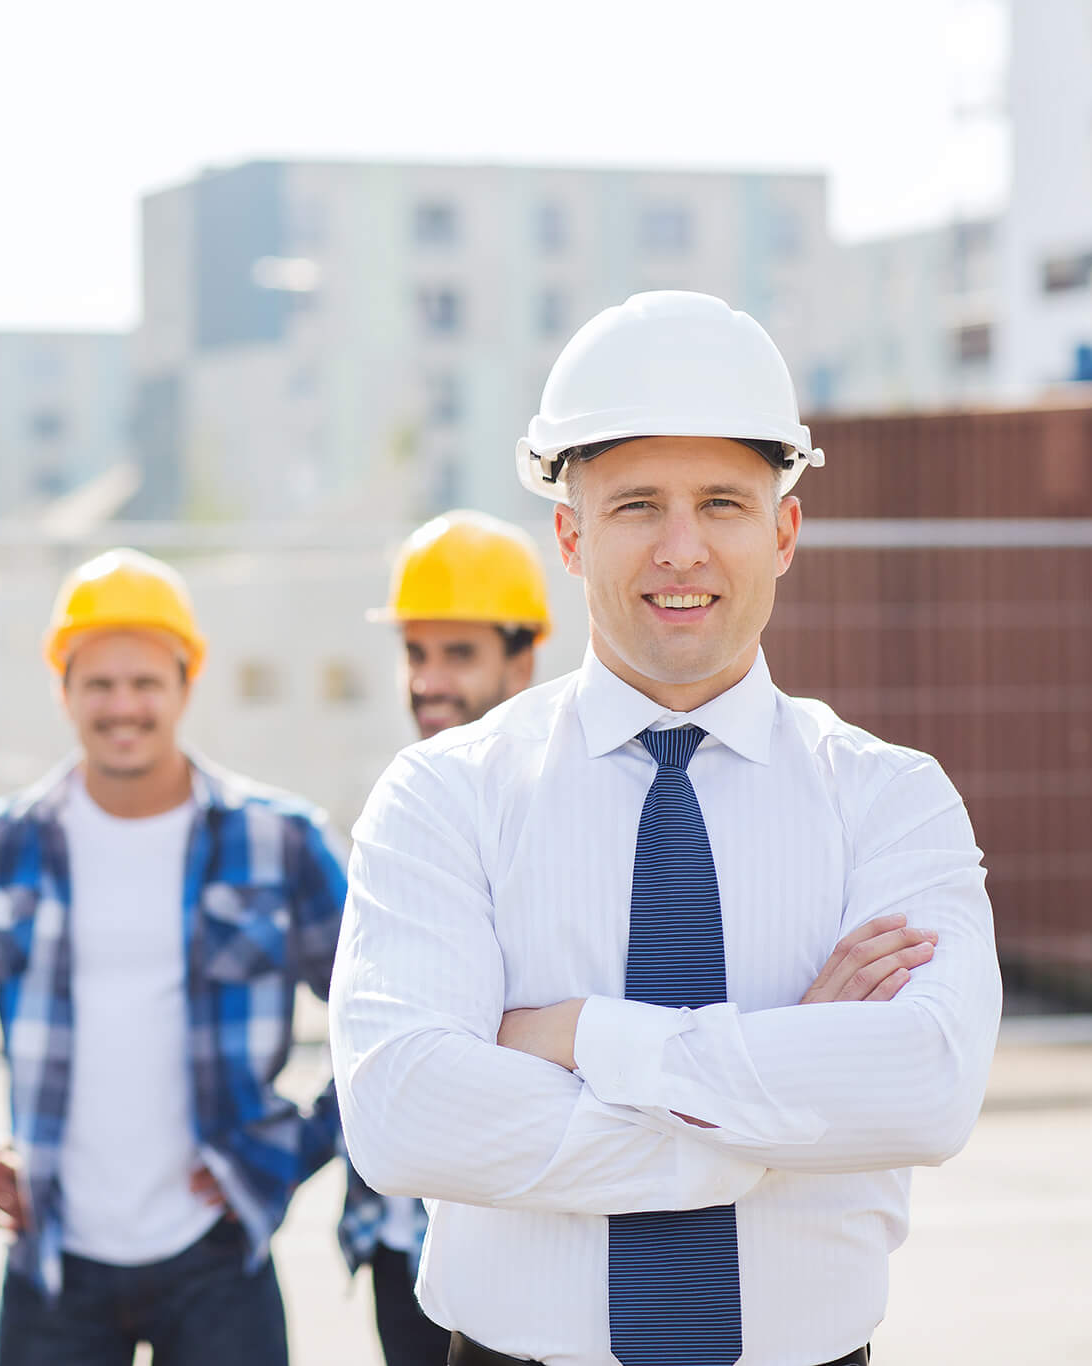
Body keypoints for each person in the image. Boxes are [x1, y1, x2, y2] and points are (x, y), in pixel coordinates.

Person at [330, 290, 1002, 1366]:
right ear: (570, 535)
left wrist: (581, 1037)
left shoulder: (890, 797)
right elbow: (403, 1113)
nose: (681, 550)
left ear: (783, 533)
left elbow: (922, 1087)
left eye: (722, 504)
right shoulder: (442, 796)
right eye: (637, 505)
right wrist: (772, 1105)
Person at [0, 548, 348, 1366]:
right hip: (53, 1259)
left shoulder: (276, 841)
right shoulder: (2, 845)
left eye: (145, 682)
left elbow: (382, 1014)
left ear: (185, 685)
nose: (123, 706)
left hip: (218, 1257)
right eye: (99, 684)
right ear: (63, 690)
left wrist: (292, 1149)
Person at [341, 510, 550, 1366]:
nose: (429, 681)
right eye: (415, 653)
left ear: (522, 660)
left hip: (526, 1242)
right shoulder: (401, 812)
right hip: (401, 1241)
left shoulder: (564, 813)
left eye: (458, 653)